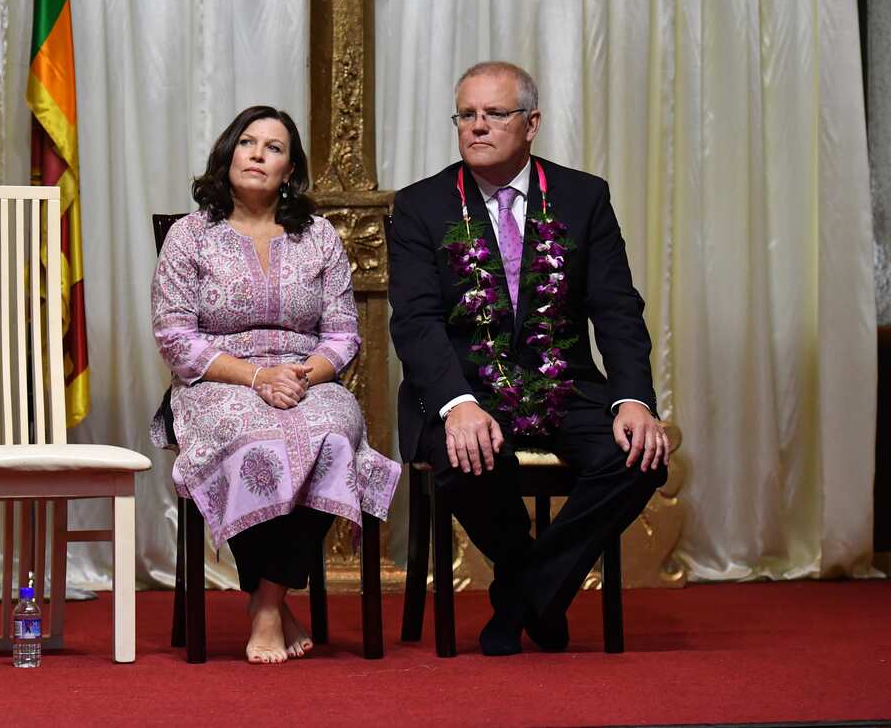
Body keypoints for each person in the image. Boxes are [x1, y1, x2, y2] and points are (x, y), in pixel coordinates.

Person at [389, 61, 670, 656]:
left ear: (532, 123)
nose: (478, 127)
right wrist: (456, 404)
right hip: (462, 386)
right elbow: (415, 322)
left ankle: (524, 593)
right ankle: (534, 583)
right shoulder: (421, 205)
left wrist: (635, 399)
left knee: (640, 457)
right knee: (459, 452)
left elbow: (617, 308)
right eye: (467, 115)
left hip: (561, 379)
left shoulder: (582, 196)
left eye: (495, 113)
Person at [151, 105, 401, 664]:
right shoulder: (190, 238)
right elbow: (174, 337)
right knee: (250, 438)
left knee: (333, 436)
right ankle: (274, 601)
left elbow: (342, 335)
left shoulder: (319, 239)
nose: (259, 154)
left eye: (274, 147)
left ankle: (266, 601)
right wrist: (256, 378)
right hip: (218, 378)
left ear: (290, 170)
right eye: (248, 142)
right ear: (228, 155)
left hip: (303, 376)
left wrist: (300, 375)